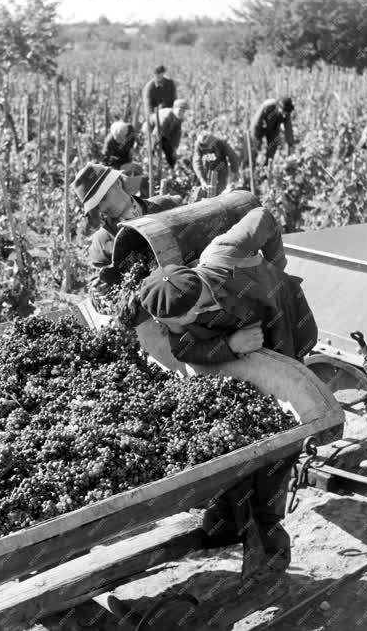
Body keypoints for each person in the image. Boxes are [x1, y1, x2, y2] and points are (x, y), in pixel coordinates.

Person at [127, 207, 317, 577]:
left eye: (168, 324)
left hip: (288, 327)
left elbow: (264, 216)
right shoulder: (181, 324)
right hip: (245, 363)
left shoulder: (223, 255)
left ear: (193, 306)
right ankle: (227, 521)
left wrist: (276, 267)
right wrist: (230, 344)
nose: (165, 330)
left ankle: (268, 535)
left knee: (284, 443)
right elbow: (186, 350)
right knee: (242, 443)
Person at [71, 162, 182, 282]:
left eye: (103, 198)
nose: (102, 208)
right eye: (96, 206)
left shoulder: (164, 207)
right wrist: (98, 291)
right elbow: (96, 284)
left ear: (117, 183)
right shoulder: (102, 243)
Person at [248, 96, 295, 164]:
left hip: (273, 128)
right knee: (255, 147)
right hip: (260, 126)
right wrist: (256, 139)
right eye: (283, 112)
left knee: (273, 146)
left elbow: (288, 129)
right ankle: (251, 165)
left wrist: (291, 145)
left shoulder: (286, 111)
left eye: (286, 113)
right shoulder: (267, 106)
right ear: (279, 107)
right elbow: (256, 124)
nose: (284, 115)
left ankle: (267, 167)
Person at [192, 131, 241, 195]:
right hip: (207, 169)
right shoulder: (198, 145)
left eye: (208, 146)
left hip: (221, 167)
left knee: (221, 192)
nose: (207, 149)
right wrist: (202, 180)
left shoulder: (220, 142)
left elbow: (233, 157)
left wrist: (234, 173)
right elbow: (197, 162)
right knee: (207, 191)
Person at [146, 99, 190, 169]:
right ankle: (151, 165)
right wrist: (151, 151)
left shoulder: (179, 118)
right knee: (162, 147)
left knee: (170, 151)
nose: (181, 112)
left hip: (165, 132)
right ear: (174, 108)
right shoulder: (166, 117)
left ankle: (172, 168)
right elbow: (155, 134)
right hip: (150, 130)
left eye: (183, 111)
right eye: (180, 110)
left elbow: (177, 134)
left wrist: (175, 148)